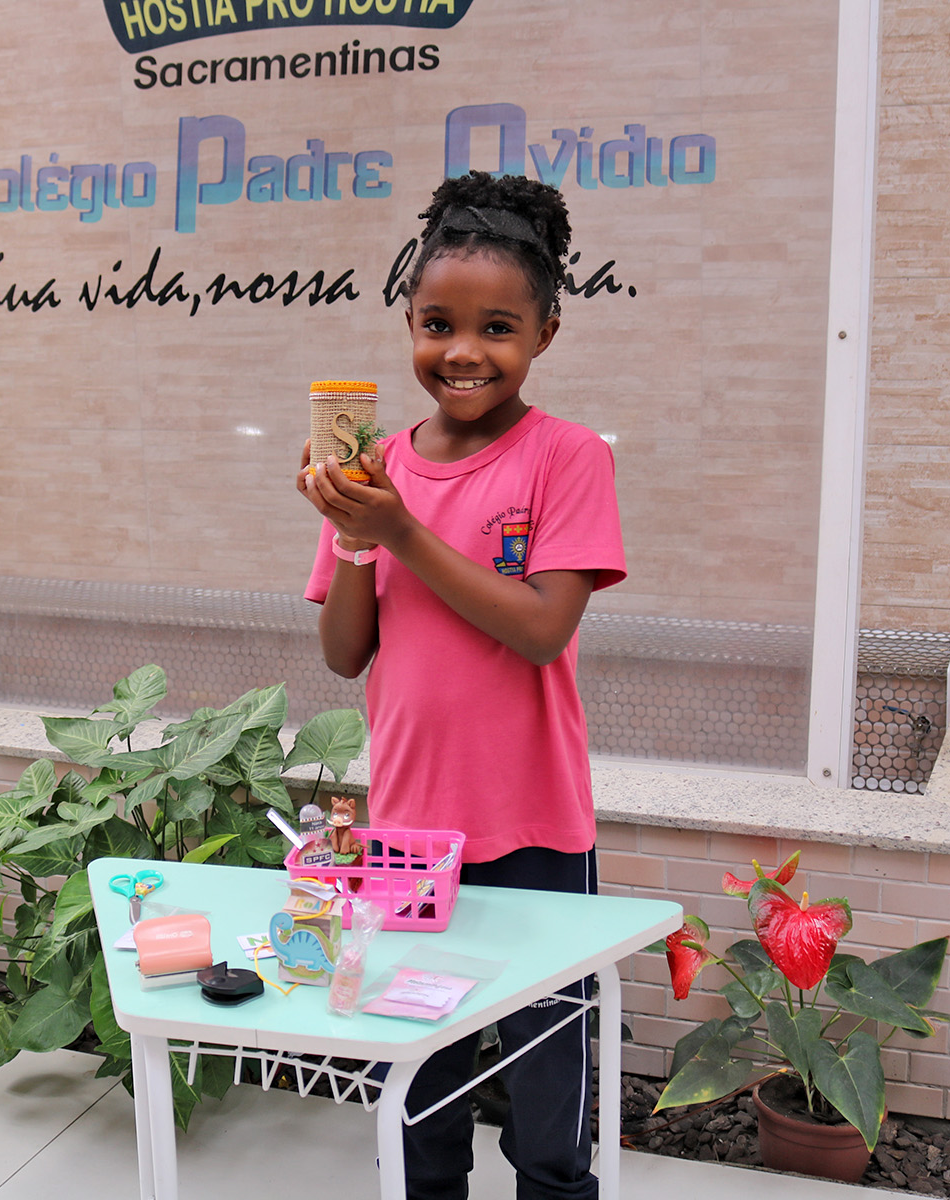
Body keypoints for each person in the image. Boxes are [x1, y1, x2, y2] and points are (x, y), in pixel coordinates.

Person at [296, 170, 626, 1200]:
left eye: (497, 328)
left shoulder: (567, 458)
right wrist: (357, 535)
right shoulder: (375, 469)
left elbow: (540, 629)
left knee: (546, 1078)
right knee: (418, 1073)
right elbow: (344, 654)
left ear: (545, 334)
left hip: (535, 827)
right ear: (409, 323)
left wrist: (398, 528)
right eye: (438, 324)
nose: (463, 351)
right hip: (408, 827)